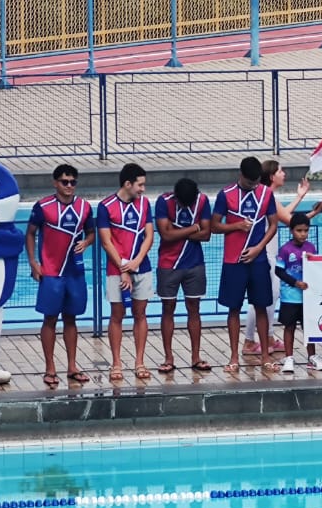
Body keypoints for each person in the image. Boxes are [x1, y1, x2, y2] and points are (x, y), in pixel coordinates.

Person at [243, 159, 322, 355]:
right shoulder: (268, 196)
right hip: (266, 254)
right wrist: (315, 211)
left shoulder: (266, 195)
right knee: (264, 298)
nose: (284, 173)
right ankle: (249, 341)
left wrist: (300, 197)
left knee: (266, 298)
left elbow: (285, 215)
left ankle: (269, 337)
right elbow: (292, 221)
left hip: (267, 253)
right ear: (272, 176)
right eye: (281, 171)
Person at [26, 163, 95, 387]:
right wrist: (34, 263)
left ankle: (72, 366)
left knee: (71, 319)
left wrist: (86, 242)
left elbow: (92, 232)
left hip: (74, 272)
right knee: (50, 319)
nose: (69, 186)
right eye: (65, 182)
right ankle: (50, 368)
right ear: (55, 182)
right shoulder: (43, 206)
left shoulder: (84, 207)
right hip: (52, 272)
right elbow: (30, 234)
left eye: (73, 182)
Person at [212, 156, 279, 372]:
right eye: (250, 183)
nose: (254, 186)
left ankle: (266, 357)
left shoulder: (265, 193)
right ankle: (233, 357)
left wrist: (259, 247)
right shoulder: (226, 195)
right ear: (241, 176)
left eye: (256, 182)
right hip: (234, 260)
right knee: (234, 308)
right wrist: (236, 226)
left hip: (258, 259)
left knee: (262, 306)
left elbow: (273, 225)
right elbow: (214, 226)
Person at [96, 163, 155, 382]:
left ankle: (139, 362)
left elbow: (149, 236)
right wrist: (124, 268)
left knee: (140, 314)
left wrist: (136, 262)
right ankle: (116, 363)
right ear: (127, 184)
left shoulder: (144, 204)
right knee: (117, 315)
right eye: (140, 185)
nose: (142, 189)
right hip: (116, 270)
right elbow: (106, 241)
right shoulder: (106, 206)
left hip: (142, 267)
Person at [154, 177, 212, 374]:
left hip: (194, 264)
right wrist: (194, 227)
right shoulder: (163, 201)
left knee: (194, 308)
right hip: (168, 264)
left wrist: (177, 230)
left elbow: (206, 234)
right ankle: (168, 357)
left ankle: (196, 356)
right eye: (181, 203)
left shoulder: (203, 201)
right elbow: (166, 235)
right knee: (168, 308)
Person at [275, 212, 322, 374]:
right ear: (291, 231)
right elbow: (279, 271)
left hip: (307, 298)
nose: (303, 234)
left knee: (309, 328)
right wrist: (295, 283)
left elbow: (316, 268)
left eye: (305, 230)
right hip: (290, 297)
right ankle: (289, 358)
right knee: (289, 327)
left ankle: (312, 357)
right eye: (299, 230)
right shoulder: (285, 250)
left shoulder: (311, 248)